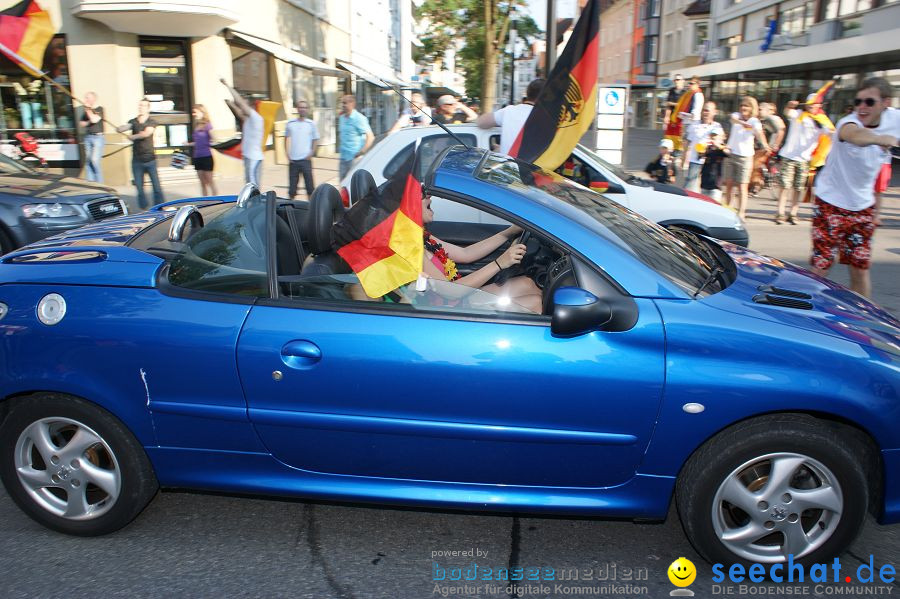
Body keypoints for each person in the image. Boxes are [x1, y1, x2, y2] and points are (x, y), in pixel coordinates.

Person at [811, 77, 899, 298]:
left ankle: (864, 323)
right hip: (831, 204)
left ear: (885, 103)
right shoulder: (848, 123)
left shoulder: (895, 118)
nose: (862, 106)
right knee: (821, 267)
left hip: (863, 207)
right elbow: (856, 136)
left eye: (869, 102)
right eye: (858, 101)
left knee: (860, 269)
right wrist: (882, 139)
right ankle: (798, 318)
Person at [420, 195, 542, 313]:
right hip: (448, 311)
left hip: (458, 301)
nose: (429, 195)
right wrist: (499, 263)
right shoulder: (413, 250)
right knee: (535, 303)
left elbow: (465, 254)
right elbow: (451, 292)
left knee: (529, 284)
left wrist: (509, 232)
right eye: (422, 194)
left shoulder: (421, 237)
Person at [774, 94, 835, 224]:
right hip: (789, 156)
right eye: (810, 102)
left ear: (820, 105)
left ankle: (793, 213)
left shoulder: (821, 120)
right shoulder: (798, 114)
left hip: (805, 159)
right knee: (785, 186)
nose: (812, 105)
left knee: (798, 187)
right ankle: (780, 212)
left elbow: (830, 134)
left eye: (815, 103)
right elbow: (788, 112)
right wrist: (789, 106)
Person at [723, 96, 770, 220]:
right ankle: (728, 209)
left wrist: (765, 145)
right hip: (731, 154)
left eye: (746, 106)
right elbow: (733, 119)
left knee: (742, 186)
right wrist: (744, 123)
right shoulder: (736, 116)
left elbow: (759, 134)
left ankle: (741, 212)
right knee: (728, 184)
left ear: (752, 108)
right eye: (742, 105)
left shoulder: (755, 121)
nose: (743, 108)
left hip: (745, 157)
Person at [115, 98, 163, 209]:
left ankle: (159, 208)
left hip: (150, 159)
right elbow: (125, 127)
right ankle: (144, 208)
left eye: (144, 106)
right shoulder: (134, 121)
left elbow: (146, 133)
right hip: (137, 160)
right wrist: (119, 129)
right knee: (139, 188)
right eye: (140, 105)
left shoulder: (151, 121)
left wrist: (133, 136)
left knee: (156, 187)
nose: (141, 107)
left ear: (148, 108)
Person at [477, 79, 545, 155]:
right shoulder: (547, 118)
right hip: (534, 166)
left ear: (528, 93)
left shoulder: (509, 111)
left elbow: (481, 122)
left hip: (510, 165)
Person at [221, 78, 264, 187]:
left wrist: (227, 85)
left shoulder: (256, 118)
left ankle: (254, 203)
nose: (241, 106)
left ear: (251, 106)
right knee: (250, 185)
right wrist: (230, 104)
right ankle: (252, 203)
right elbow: (238, 111)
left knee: (252, 187)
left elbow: (240, 103)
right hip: (250, 157)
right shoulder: (249, 119)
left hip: (253, 158)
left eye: (244, 104)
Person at [681, 101, 724, 192]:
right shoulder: (694, 125)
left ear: (714, 112)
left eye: (708, 111)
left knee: (706, 189)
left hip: (709, 163)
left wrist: (713, 141)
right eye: (704, 110)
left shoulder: (717, 126)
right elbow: (687, 142)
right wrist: (684, 158)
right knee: (689, 186)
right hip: (695, 160)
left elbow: (717, 137)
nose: (705, 113)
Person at [284, 98, 319, 200]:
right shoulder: (290, 124)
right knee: (292, 189)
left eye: (304, 107)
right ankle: (290, 208)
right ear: (297, 109)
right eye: (300, 107)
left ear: (307, 109)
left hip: (305, 160)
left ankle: (312, 208)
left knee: (310, 187)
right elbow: (286, 138)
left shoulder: (311, 124)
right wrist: (287, 154)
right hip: (293, 161)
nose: (302, 109)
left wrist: (311, 152)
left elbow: (315, 139)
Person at [338, 94, 374, 180]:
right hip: (343, 158)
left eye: (345, 103)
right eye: (342, 103)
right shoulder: (342, 118)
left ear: (352, 104)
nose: (343, 105)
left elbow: (370, 137)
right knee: (343, 185)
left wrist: (361, 152)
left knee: (353, 185)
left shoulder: (359, 118)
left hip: (354, 158)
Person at [187, 104, 216, 196]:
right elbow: (198, 142)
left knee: (210, 181)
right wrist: (188, 144)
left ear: (202, 112)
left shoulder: (208, 125)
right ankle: (205, 202)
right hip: (197, 157)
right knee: (202, 183)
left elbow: (214, 138)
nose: (193, 114)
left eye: (195, 112)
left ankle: (216, 201)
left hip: (206, 156)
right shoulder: (196, 125)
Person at [78, 91, 104, 182]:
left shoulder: (99, 109)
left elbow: (94, 119)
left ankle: (100, 185)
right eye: (85, 98)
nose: (85, 100)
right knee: (88, 163)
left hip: (97, 138)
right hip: (88, 137)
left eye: (87, 98)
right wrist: (88, 117)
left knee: (94, 161)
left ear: (93, 99)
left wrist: (88, 110)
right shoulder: (86, 112)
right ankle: (91, 185)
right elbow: (81, 123)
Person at [699, 132, 729, 202]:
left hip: (716, 183)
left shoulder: (722, 149)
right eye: (712, 138)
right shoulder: (707, 148)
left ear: (721, 139)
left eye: (715, 138)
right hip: (705, 180)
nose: (713, 140)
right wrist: (702, 148)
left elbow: (727, 153)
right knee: (703, 202)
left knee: (715, 202)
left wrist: (717, 145)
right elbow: (700, 155)